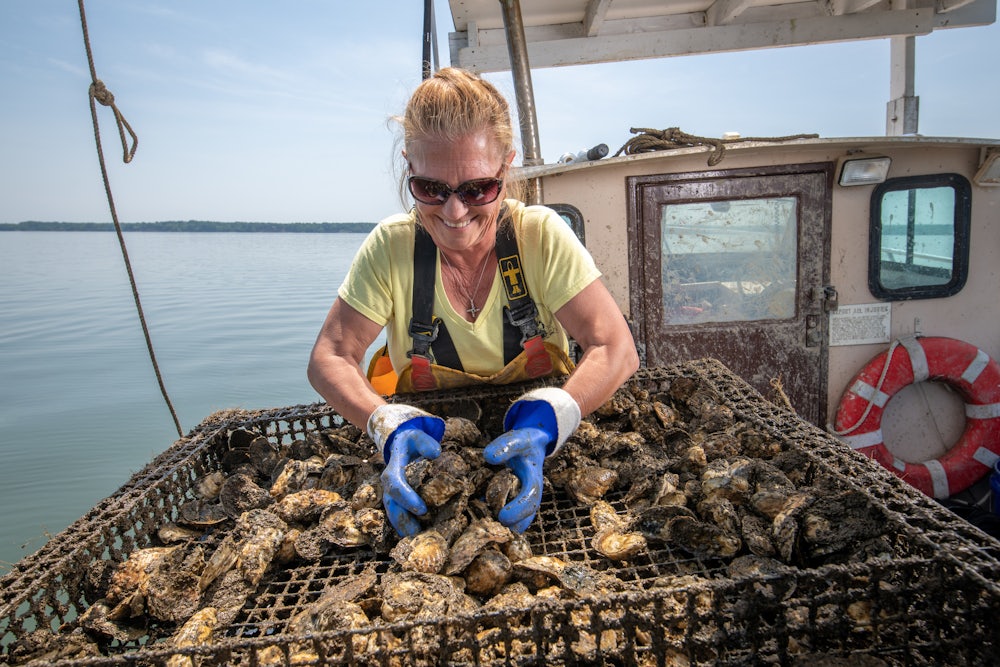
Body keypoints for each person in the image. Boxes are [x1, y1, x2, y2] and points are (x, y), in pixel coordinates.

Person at [308, 67, 638, 537]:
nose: (454, 212)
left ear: (506, 167)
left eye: (476, 189)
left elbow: (616, 349)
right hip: (428, 466)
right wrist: (386, 425)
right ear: (410, 166)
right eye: (430, 189)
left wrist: (551, 419)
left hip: (546, 458)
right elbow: (329, 358)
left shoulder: (539, 236)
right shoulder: (391, 246)